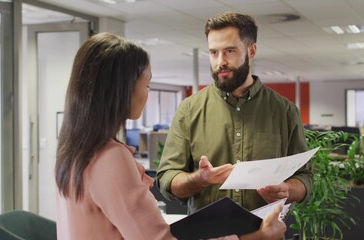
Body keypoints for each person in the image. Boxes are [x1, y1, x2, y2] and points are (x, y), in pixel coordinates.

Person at [55, 32, 286, 240]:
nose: (148, 93)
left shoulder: (74, 152)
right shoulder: (110, 159)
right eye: (146, 84)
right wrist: (259, 237)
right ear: (124, 89)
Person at [157, 11, 312, 215]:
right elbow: (167, 179)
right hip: (207, 234)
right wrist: (200, 179)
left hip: (264, 233)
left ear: (252, 50)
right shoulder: (189, 109)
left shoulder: (284, 110)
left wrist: (288, 189)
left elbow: (305, 178)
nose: (220, 61)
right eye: (213, 52)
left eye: (229, 51)